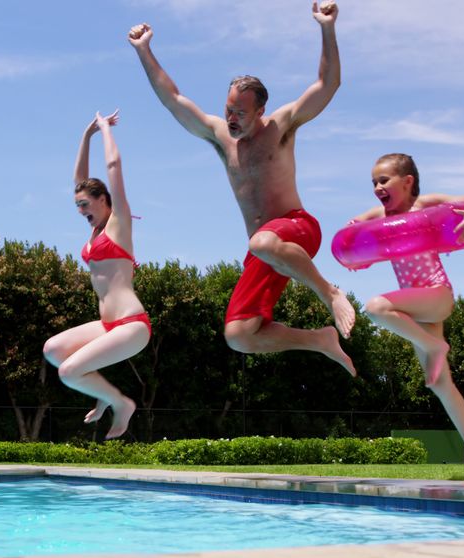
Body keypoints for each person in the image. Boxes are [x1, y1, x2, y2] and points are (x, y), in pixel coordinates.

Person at [128, 1, 355, 376]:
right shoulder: (221, 136)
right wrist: (144, 51)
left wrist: (327, 29)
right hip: (265, 251)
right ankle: (319, 339)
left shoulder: (281, 127)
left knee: (262, 242)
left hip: (297, 230)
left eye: (240, 113)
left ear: (260, 111)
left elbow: (326, 85)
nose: (231, 119)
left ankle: (330, 293)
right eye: (229, 109)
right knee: (240, 335)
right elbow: (174, 99)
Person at [350, 152, 464, 485]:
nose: (377, 188)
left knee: (375, 307)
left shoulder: (424, 205)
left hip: (436, 295)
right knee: (438, 383)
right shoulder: (381, 214)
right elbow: (354, 228)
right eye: (373, 182)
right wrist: (359, 254)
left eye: (383, 180)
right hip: (416, 307)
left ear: (407, 181)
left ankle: (434, 346)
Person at [42, 110, 146, 440]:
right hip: (106, 325)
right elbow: (79, 180)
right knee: (53, 350)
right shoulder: (95, 228)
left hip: (132, 325)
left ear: (104, 200)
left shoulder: (119, 222)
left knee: (70, 371)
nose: (81, 211)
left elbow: (114, 169)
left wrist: (105, 130)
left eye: (86, 204)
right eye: (78, 206)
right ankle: (105, 397)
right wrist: (86, 136)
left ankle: (120, 403)